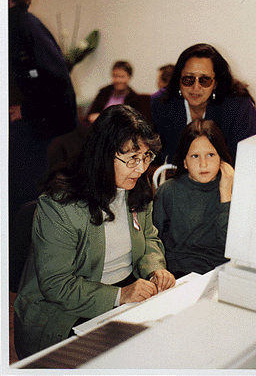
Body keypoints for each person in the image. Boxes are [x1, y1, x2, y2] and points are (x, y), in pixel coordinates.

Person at [14, 105, 175, 359]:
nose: (141, 168)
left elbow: (149, 237)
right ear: (103, 155)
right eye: (132, 158)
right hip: (64, 310)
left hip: (124, 292)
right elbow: (56, 285)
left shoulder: (135, 186)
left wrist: (155, 269)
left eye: (146, 156)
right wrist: (120, 295)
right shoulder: (60, 205)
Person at [9, 0, 77, 223]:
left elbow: (58, 84)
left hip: (30, 134)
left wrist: (25, 110)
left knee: (24, 207)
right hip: (25, 133)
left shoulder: (25, 26)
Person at [151, 44, 256, 164]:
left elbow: (249, 160)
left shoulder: (239, 106)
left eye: (205, 80)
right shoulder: (162, 103)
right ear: (179, 79)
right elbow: (155, 155)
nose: (196, 87)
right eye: (188, 79)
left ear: (215, 83)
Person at [153, 119, 234, 279]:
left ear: (221, 158)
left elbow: (231, 248)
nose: (203, 164)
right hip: (179, 273)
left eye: (210, 155)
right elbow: (155, 241)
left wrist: (226, 195)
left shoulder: (232, 188)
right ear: (184, 161)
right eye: (195, 156)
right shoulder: (168, 191)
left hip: (220, 272)